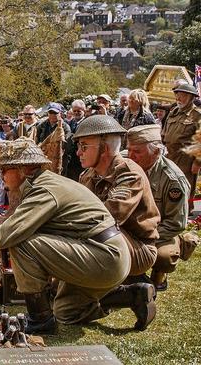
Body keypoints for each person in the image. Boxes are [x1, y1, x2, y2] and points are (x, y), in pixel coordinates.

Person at [0, 138, 132, 333]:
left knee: (22, 243)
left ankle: (40, 321)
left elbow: (4, 238)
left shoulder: (44, 190)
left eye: (5, 168)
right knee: (66, 312)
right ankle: (131, 295)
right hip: (107, 256)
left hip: (105, 258)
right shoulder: (47, 183)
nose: (2, 174)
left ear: (24, 169)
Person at [74, 115, 159, 330]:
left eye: (84, 146)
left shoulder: (128, 173)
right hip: (111, 240)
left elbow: (108, 217)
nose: (78, 152)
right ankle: (133, 293)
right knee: (62, 293)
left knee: (91, 240)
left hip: (137, 247)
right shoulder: (88, 176)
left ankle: (125, 288)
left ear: (104, 148)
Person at [126, 125, 199, 291]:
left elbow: (176, 223)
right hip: (132, 225)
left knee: (163, 257)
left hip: (159, 230)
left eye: (137, 151)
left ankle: (178, 246)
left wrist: (144, 238)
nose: (130, 156)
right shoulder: (126, 163)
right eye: (128, 149)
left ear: (156, 152)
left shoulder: (173, 180)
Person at [162, 83, 201, 207]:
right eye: (177, 95)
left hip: (186, 158)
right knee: (170, 186)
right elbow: (165, 132)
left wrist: (197, 162)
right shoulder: (174, 111)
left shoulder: (197, 114)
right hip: (170, 155)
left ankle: (185, 212)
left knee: (185, 186)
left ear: (191, 97)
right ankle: (172, 212)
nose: (178, 98)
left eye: (182, 96)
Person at [65, 100, 87, 181]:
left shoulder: (87, 123)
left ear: (84, 110)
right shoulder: (70, 123)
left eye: (79, 111)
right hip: (70, 159)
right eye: (74, 111)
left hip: (81, 156)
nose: (76, 113)